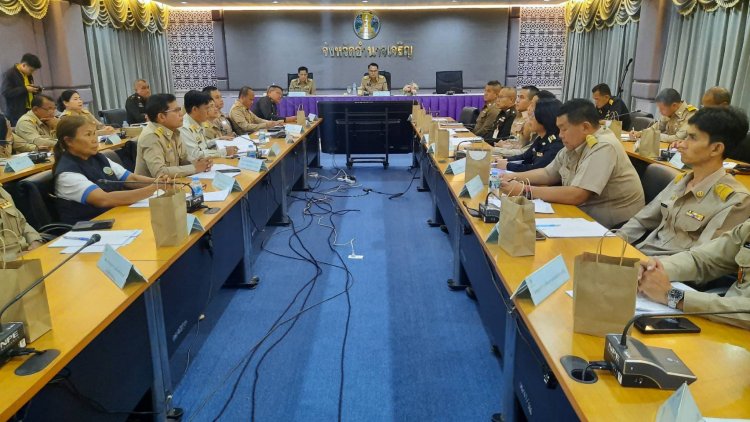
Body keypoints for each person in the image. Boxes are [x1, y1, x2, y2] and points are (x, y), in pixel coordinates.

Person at [620, 107, 750, 256]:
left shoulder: (735, 201)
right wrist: (613, 241)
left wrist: (644, 265)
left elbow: (701, 259)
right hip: (641, 253)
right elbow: (642, 220)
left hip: (666, 267)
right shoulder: (682, 180)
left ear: (716, 149)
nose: (681, 144)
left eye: (692, 138)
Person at [500, 99, 644, 228]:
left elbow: (577, 194)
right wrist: (513, 177)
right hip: (582, 216)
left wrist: (525, 190)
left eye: (564, 129)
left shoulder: (604, 146)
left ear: (585, 127)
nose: (560, 135)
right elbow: (548, 173)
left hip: (612, 227)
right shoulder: (577, 142)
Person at [52, 116, 162, 224]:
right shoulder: (67, 173)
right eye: (88, 135)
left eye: (94, 133)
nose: (94, 140)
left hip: (116, 215)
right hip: (90, 227)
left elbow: (132, 179)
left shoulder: (98, 157)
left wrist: (162, 182)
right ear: (69, 141)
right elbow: (105, 199)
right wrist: (154, 187)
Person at [637, 223, 750, 329]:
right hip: (722, 322)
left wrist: (675, 297)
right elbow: (701, 260)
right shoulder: (747, 229)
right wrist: (652, 269)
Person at [134, 93, 211, 178]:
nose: (181, 114)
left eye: (180, 109)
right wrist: (194, 168)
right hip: (153, 186)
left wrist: (199, 162)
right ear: (161, 117)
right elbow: (160, 173)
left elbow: (184, 160)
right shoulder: (151, 137)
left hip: (174, 182)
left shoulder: (174, 131)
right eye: (176, 110)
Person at [494, 98, 564, 172]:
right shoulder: (541, 138)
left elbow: (536, 169)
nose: (529, 120)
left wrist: (507, 165)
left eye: (533, 116)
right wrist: (502, 159)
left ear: (544, 118)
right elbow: (524, 157)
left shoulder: (555, 143)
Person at [180, 90, 238, 161]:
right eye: (206, 108)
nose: (208, 111)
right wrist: (224, 152)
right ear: (194, 109)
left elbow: (202, 145)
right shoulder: (185, 128)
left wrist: (218, 140)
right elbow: (195, 155)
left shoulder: (198, 121)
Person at [630, 88, 697, 143]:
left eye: (662, 109)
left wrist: (653, 136)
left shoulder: (691, 114)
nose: (660, 112)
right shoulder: (670, 111)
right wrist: (640, 133)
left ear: (674, 105)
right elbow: (656, 128)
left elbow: (678, 138)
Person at [0, 183, 42, 261]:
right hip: (7, 263)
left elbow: (22, 223)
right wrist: (13, 258)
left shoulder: (3, 193)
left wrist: (35, 240)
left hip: (27, 253)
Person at [1, 53, 42, 125]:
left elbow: (26, 90)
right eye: (31, 70)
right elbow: (5, 92)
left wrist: (34, 90)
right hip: (16, 113)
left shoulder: (28, 75)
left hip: (29, 110)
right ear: (24, 65)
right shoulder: (9, 74)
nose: (32, 73)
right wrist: (25, 89)